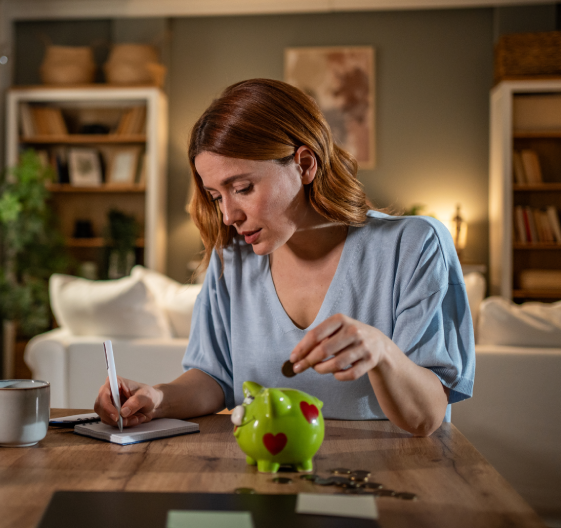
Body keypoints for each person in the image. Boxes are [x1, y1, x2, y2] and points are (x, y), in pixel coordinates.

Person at [94, 78, 475, 436]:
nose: (228, 215)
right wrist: (156, 398)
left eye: (242, 187)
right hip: (264, 466)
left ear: (305, 164)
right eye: (215, 196)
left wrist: (382, 352)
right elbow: (215, 379)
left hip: (386, 477)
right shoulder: (232, 259)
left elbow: (426, 417)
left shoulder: (413, 246)